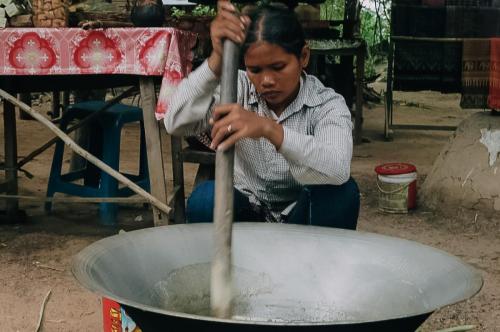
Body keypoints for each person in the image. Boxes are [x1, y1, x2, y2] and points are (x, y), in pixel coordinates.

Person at [164, 1, 360, 229]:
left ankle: (310, 263)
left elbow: (337, 168)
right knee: (205, 199)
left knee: (342, 195)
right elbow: (175, 122)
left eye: (278, 67)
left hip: (303, 219)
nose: (266, 81)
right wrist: (217, 59)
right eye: (255, 70)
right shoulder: (235, 88)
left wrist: (270, 129)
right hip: (247, 212)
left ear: (304, 57)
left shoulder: (327, 104)